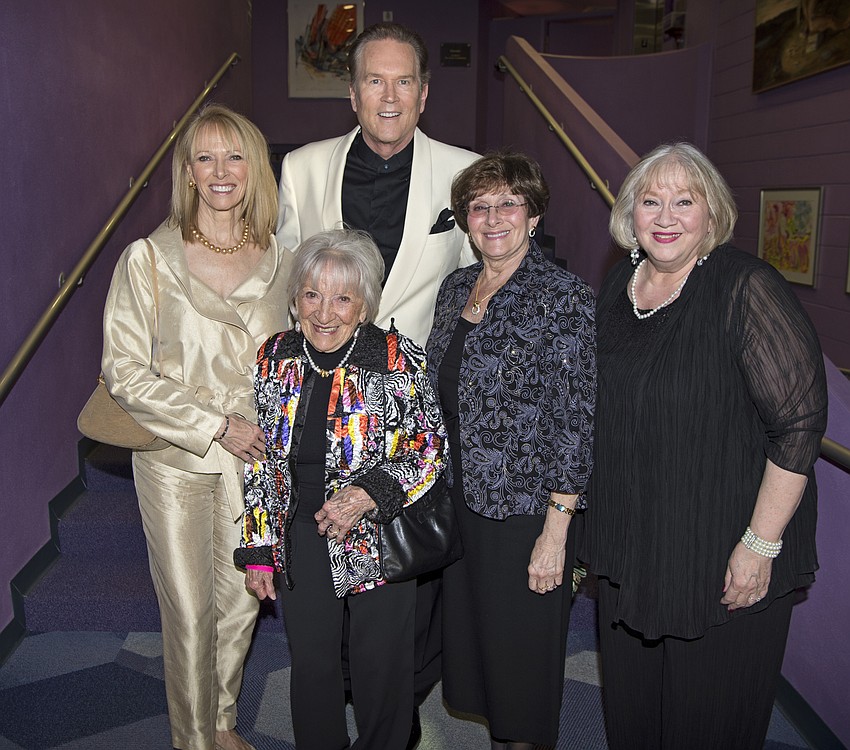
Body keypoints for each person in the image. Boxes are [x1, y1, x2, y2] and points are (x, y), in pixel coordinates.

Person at [577, 142, 828, 750]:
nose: (666, 217)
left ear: (711, 214)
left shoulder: (746, 288)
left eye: (684, 201)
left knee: (706, 724)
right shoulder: (617, 286)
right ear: (629, 215)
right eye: (650, 201)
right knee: (634, 720)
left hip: (720, 558)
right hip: (636, 554)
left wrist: (759, 546)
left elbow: (798, 423)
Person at [276, 22, 479, 731]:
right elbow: (286, 283)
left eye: (403, 82)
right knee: (318, 619)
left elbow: (485, 280)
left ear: (423, 94)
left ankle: (400, 709)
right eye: (373, 80)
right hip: (323, 404)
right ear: (352, 93)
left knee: (403, 584)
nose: (388, 96)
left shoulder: (466, 171)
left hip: (415, 415)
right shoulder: (301, 169)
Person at [101, 103, 291, 750]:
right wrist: (215, 423)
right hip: (176, 458)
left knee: (241, 604)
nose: (220, 170)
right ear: (186, 171)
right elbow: (123, 372)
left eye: (234, 156)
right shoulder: (148, 260)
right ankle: (192, 741)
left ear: (254, 168)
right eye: (204, 157)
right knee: (188, 612)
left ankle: (221, 722)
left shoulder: (282, 261)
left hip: (255, 461)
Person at [234, 228, 446, 750]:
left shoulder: (396, 357)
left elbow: (429, 444)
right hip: (302, 533)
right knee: (312, 665)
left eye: (342, 298)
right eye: (311, 295)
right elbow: (260, 458)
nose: (324, 312)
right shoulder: (274, 356)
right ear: (295, 299)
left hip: (376, 534)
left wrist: (370, 493)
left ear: (364, 306)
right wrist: (261, 548)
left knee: (381, 668)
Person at [425, 151, 596, 749]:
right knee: (479, 649)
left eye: (509, 204)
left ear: (533, 215)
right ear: (464, 220)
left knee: (522, 661)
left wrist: (556, 533)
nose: (494, 217)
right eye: (480, 206)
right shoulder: (454, 291)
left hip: (527, 514)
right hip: (462, 506)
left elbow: (575, 422)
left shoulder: (562, 297)